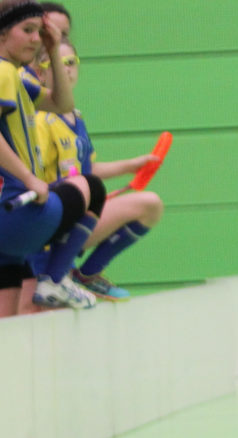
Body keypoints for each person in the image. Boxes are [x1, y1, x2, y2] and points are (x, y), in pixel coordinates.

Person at [32, 39, 163, 301]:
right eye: (56, 64)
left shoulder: (76, 117)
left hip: (81, 214)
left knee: (151, 205)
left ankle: (87, 275)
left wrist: (131, 165)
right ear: (40, 73)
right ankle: (57, 273)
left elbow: (88, 169)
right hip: (52, 219)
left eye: (71, 63)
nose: (66, 69)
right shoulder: (40, 120)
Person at [0, 0, 101, 313]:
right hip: (15, 212)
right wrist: (31, 179)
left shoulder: (16, 78)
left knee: (8, 327)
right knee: (92, 189)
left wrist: (54, 48)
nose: (34, 39)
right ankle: (56, 278)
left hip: (10, 226)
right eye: (26, 30)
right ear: (2, 34)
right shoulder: (3, 72)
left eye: (38, 32)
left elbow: (62, 104)